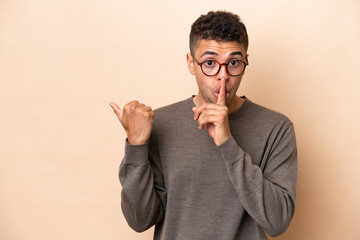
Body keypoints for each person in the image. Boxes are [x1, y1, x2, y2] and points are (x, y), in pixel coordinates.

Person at [109, 10, 297, 240]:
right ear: (191, 63)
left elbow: (277, 222)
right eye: (209, 63)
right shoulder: (160, 125)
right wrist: (136, 147)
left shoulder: (276, 128)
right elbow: (140, 220)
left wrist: (227, 142)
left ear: (246, 61)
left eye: (234, 63)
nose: (223, 76)